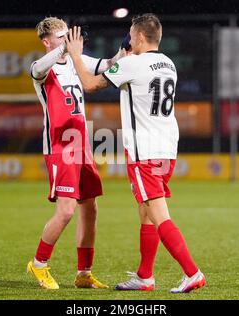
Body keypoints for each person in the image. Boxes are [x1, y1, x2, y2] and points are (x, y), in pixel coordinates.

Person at [65, 13, 206, 293]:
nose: (129, 38)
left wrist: (76, 55)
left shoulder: (133, 64)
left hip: (146, 152)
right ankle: (145, 277)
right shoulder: (168, 63)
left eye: (131, 34)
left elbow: (90, 85)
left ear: (140, 37)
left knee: (159, 214)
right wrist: (121, 59)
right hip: (167, 148)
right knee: (146, 214)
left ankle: (192, 273)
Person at [27, 16, 125, 290]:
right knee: (66, 211)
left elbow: (106, 65)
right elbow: (37, 67)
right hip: (60, 146)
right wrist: (67, 48)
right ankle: (39, 264)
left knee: (90, 208)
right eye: (61, 37)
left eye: (67, 35)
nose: (67, 41)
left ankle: (84, 273)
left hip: (81, 145)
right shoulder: (41, 68)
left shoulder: (74, 60)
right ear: (47, 42)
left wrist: (124, 51)